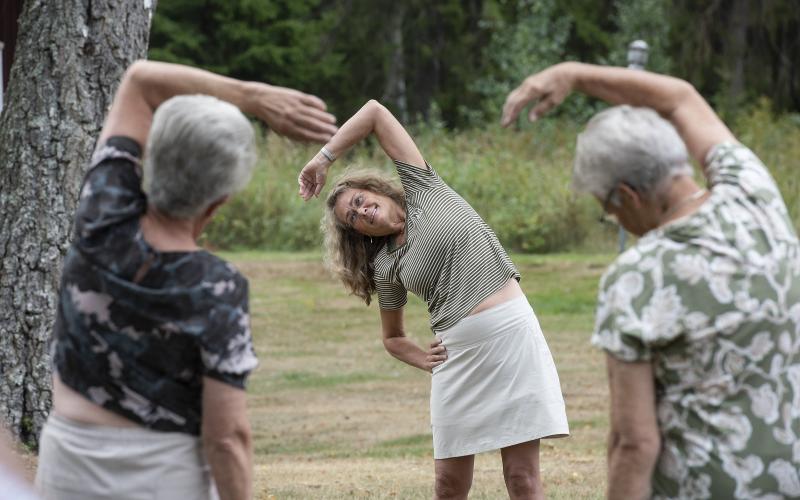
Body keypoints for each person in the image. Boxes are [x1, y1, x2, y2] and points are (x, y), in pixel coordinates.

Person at [35, 60, 337, 500]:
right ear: (218, 203)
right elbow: (226, 437)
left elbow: (140, 80)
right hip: (165, 479)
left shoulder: (101, 214)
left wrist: (255, 97)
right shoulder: (217, 289)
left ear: (149, 160)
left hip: (66, 468)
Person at [502, 62, 800, 499]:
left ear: (628, 195)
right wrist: (574, 75)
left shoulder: (637, 280)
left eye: (608, 206)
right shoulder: (755, 196)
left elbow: (634, 443)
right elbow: (680, 98)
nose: (613, 216)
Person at [298, 99, 569, 500]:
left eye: (358, 201)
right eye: (352, 219)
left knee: (522, 478)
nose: (362, 212)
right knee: (447, 486)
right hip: (458, 357)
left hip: (511, 338)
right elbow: (392, 337)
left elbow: (374, 113)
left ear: (375, 190)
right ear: (358, 235)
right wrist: (422, 357)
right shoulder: (387, 264)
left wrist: (323, 159)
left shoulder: (426, 190)